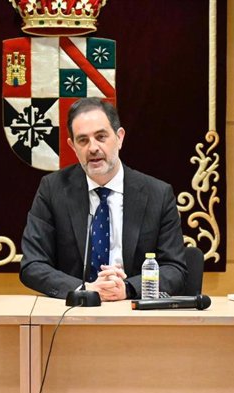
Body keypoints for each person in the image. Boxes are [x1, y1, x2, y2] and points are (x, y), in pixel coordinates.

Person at [20, 98, 187, 300]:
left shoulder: (157, 194)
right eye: (83, 140)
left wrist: (128, 288)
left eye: (101, 137)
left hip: (134, 310)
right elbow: (32, 265)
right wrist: (85, 289)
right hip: (73, 311)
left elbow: (175, 269)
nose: (93, 148)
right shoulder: (53, 189)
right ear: (72, 146)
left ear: (119, 138)